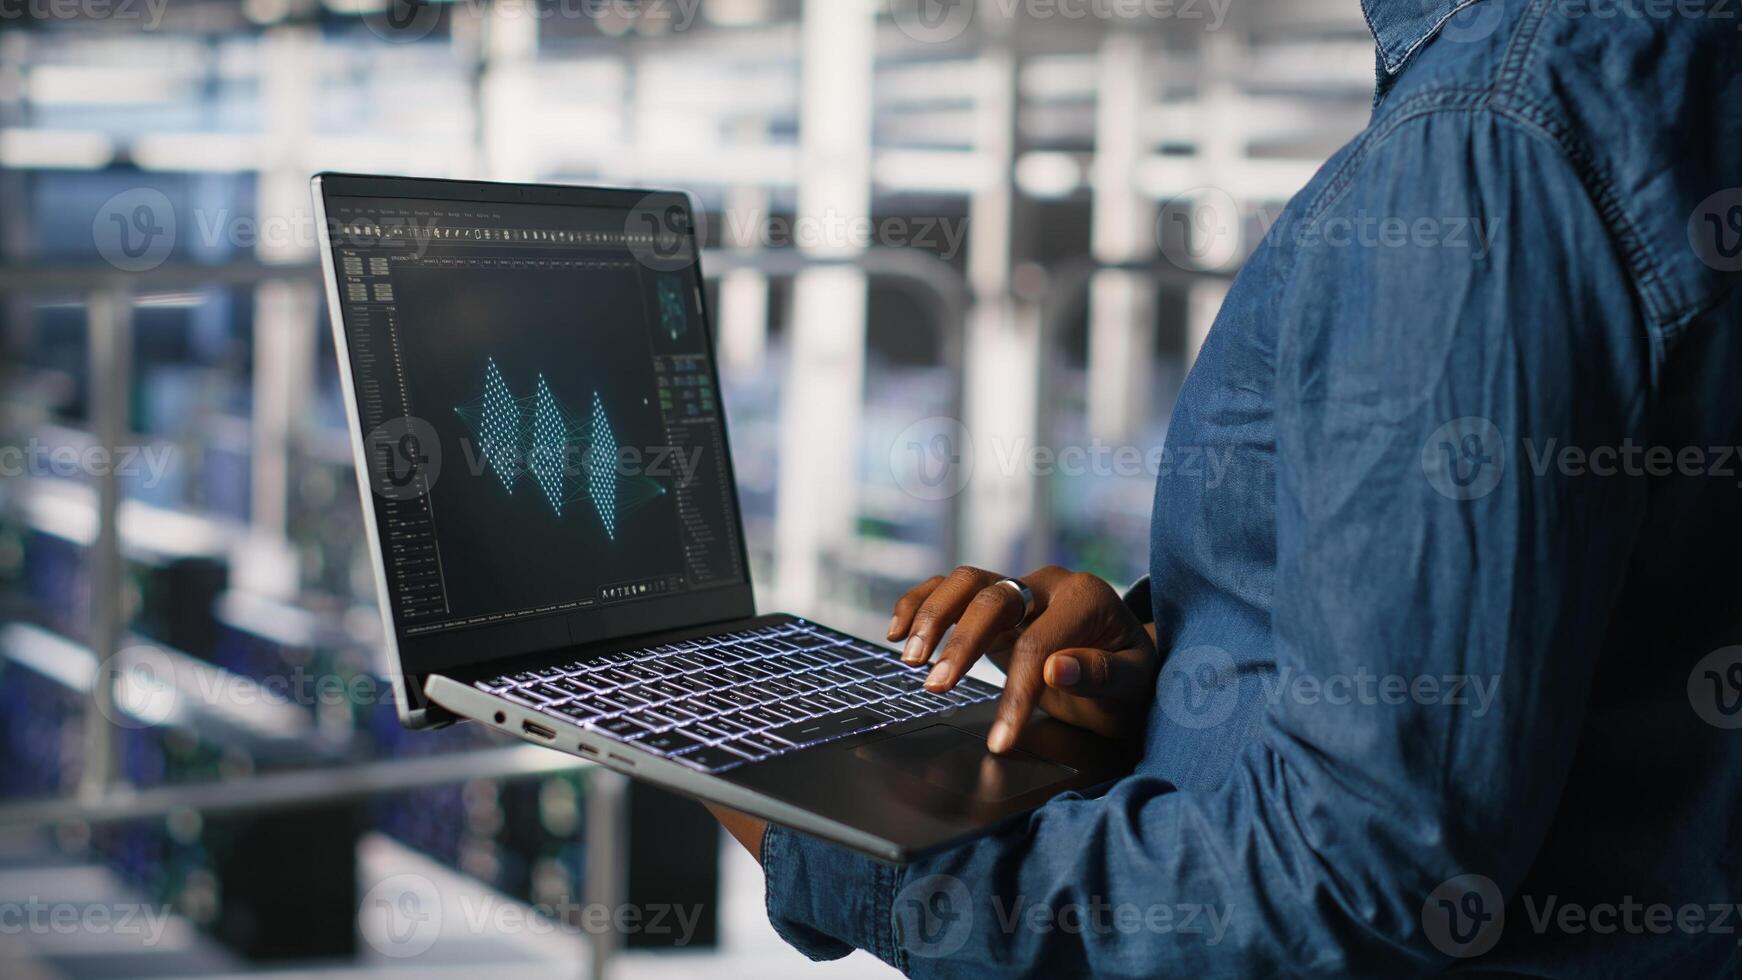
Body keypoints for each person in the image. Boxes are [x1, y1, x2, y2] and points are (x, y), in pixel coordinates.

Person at [710, 0, 1742, 974]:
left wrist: (841, 847)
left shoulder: (1485, 131)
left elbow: (1349, 881)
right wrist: (1172, 683)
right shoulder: (1630, 69)